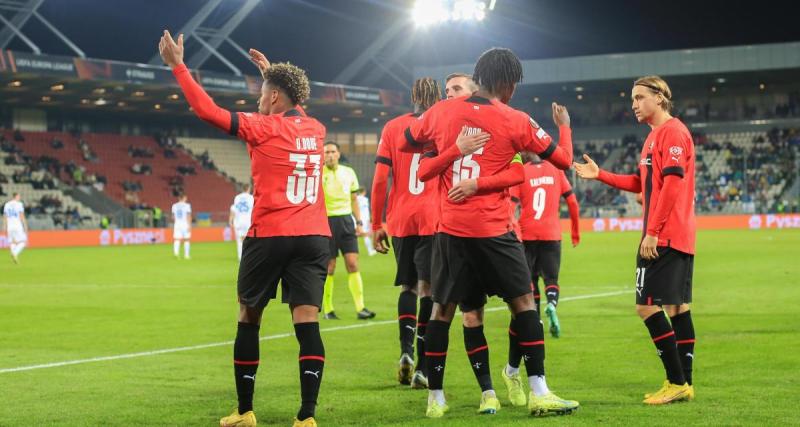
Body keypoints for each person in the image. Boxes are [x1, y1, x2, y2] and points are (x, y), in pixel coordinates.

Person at [161, 32, 329, 427]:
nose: (257, 101)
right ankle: (306, 417)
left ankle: (245, 411)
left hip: (270, 233)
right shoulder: (317, 129)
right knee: (307, 321)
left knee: (248, 316)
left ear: (273, 99)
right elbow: (294, 108)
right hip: (314, 235)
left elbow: (207, 110)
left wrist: (177, 66)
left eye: (261, 94)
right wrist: (271, 74)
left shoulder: (262, 127)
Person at [405, 47, 578, 418]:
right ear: (506, 83)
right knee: (523, 304)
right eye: (514, 84)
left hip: (450, 231)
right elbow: (563, 159)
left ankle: (435, 399)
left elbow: (410, 139)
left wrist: (448, 151)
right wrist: (564, 125)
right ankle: (539, 391)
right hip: (495, 230)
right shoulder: (515, 119)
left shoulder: (440, 111)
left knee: (441, 311)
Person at [574, 75, 696, 405]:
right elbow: (641, 182)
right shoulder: (653, 138)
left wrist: (653, 231)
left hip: (665, 235)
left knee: (646, 306)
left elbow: (671, 184)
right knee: (677, 306)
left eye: (640, 97)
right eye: (632, 99)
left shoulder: (672, 132)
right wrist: (601, 175)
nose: (634, 104)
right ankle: (684, 383)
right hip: (672, 234)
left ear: (660, 97)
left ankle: (676, 382)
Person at [371, 77, 441, 389]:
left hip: (400, 219)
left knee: (407, 288)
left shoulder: (392, 127)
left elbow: (378, 181)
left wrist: (376, 224)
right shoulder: (442, 124)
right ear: (437, 96)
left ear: (412, 96)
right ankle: (424, 368)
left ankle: (405, 352)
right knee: (429, 291)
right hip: (433, 217)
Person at [321, 141, 376, 320]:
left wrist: (359, 222)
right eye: (326, 152)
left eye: (332, 152)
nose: (329, 155)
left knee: (353, 263)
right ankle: (328, 310)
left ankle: (361, 308)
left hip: (346, 221)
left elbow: (354, 200)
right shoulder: (319, 174)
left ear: (338, 154)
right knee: (330, 267)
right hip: (326, 222)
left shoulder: (349, 172)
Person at [229, 184, 255, 261]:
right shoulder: (251, 197)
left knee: (240, 240)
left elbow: (234, 209)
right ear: (248, 189)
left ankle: (240, 257)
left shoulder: (237, 197)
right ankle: (248, 255)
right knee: (249, 240)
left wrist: (231, 220)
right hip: (248, 221)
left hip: (238, 221)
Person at [3, 193, 28, 264]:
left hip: (9, 226)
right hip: (17, 226)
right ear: (16, 196)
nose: (20, 197)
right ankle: (15, 253)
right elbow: (22, 216)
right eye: (19, 196)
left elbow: (5, 216)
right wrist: (25, 225)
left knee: (12, 241)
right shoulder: (19, 204)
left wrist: (4, 226)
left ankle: (13, 253)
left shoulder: (7, 204)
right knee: (23, 242)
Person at [355, 188, 376, 256]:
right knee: (366, 234)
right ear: (364, 192)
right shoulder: (365, 199)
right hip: (365, 219)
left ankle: (355, 250)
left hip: (358, 218)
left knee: (361, 234)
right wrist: (370, 218)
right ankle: (370, 251)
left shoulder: (356, 199)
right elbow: (367, 210)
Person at [171, 194, 192, 259]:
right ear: (184, 198)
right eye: (186, 198)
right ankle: (186, 255)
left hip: (177, 224)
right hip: (185, 223)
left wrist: (176, 222)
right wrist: (189, 225)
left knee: (177, 239)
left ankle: (176, 253)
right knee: (187, 239)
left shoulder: (174, 205)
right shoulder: (187, 205)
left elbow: (173, 217)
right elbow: (188, 215)